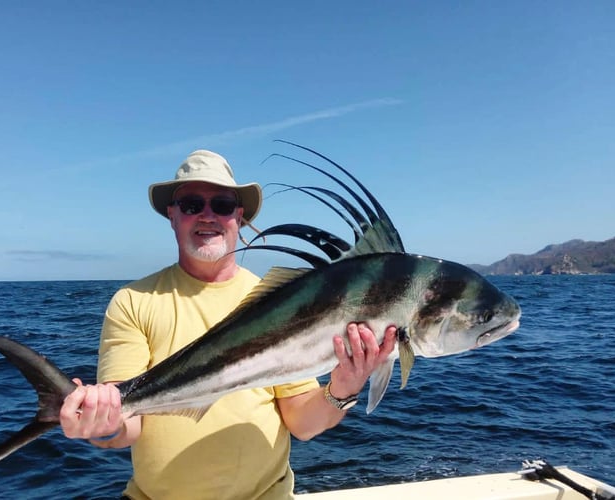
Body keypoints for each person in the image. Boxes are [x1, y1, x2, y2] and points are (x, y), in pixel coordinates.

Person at [59, 149, 397, 499]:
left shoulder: (279, 301)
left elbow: (302, 423)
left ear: (239, 216)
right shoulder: (133, 301)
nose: (207, 216)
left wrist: (344, 385)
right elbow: (125, 424)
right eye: (191, 204)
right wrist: (100, 424)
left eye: (221, 204)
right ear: (172, 216)